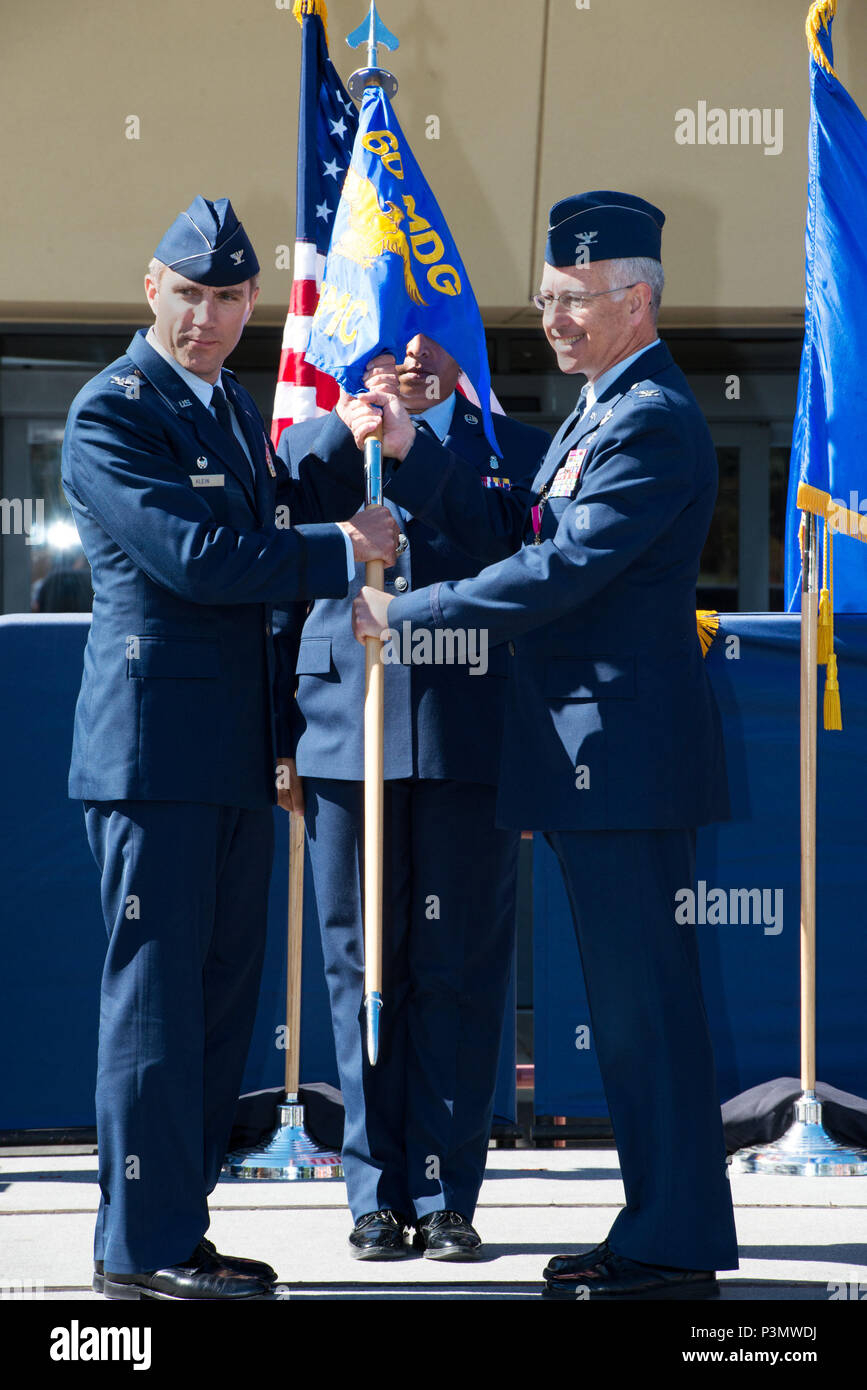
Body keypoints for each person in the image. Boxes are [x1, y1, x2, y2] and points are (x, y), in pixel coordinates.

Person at [353, 191, 740, 1299]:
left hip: (620, 760)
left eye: (574, 299)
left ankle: (672, 1244)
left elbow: (560, 570)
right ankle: (659, 1228)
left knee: (645, 1011)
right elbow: (518, 520)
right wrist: (415, 449)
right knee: (629, 1014)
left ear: (637, 299)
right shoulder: (599, 410)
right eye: (545, 299)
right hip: (590, 758)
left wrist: (411, 614)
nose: (553, 319)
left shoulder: (650, 417)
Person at [61, 195, 397, 1301]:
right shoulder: (114, 411)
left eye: (226, 297)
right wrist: (341, 548)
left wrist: (343, 436)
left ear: (254, 303)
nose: (204, 317)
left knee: (213, 1010)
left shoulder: (228, 405)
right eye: (187, 294)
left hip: (235, 757)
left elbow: (265, 515)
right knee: (155, 1008)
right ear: (150, 289)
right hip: (153, 760)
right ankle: (138, 1252)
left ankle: (174, 1226)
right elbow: (200, 558)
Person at [274, 334, 549, 1258]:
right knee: (359, 970)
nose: (410, 360)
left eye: (431, 341)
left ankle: (444, 1195)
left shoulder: (508, 448)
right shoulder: (313, 441)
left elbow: (517, 553)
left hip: (465, 731)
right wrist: (279, 739)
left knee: (458, 969)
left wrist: (414, 451)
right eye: (391, 343)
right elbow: (276, 571)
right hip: (343, 731)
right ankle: (373, 1194)